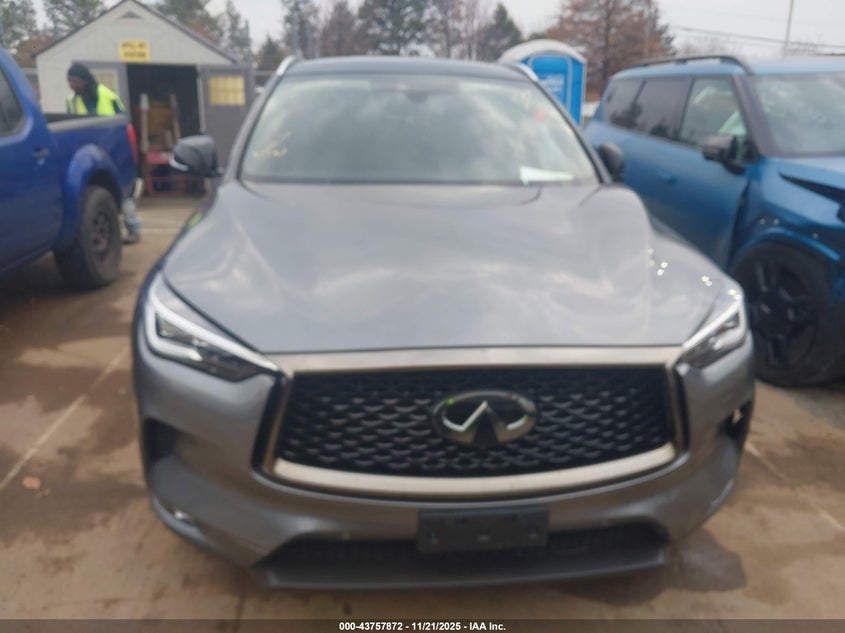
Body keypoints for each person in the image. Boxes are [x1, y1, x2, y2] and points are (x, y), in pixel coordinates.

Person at [66, 63, 142, 244]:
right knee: (99, 197)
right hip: (88, 155)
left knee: (124, 193)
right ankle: (110, 233)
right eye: (69, 81)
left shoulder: (108, 95)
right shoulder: (71, 101)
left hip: (112, 151)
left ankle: (133, 229)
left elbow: (123, 123)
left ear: (85, 80)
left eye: (75, 80)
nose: (72, 85)